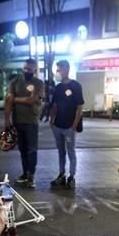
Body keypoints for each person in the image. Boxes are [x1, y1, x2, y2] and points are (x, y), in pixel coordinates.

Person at [3, 58, 44, 186]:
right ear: (22, 68)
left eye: (30, 69)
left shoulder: (38, 83)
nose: (27, 71)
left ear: (34, 69)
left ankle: (31, 175)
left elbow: (32, 101)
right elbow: (8, 102)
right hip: (17, 120)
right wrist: (6, 119)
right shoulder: (14, 82)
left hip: (31, 120)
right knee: (22, 149)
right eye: (25, 68)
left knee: (32, 149)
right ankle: (25, 173)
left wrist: (14, 99)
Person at [49, 59, 84, 189]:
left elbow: (79, 106)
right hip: (57, 125)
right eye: (57, 70)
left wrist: (75, 123)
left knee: (70, 151)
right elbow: (55, 105)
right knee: (60, 151)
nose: (58, 72)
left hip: (69, 126)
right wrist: (51, 120)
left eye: (60, 69)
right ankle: (61, 174)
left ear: (67, 69)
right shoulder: (58, 88)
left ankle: (72, 176)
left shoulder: (75, 86)